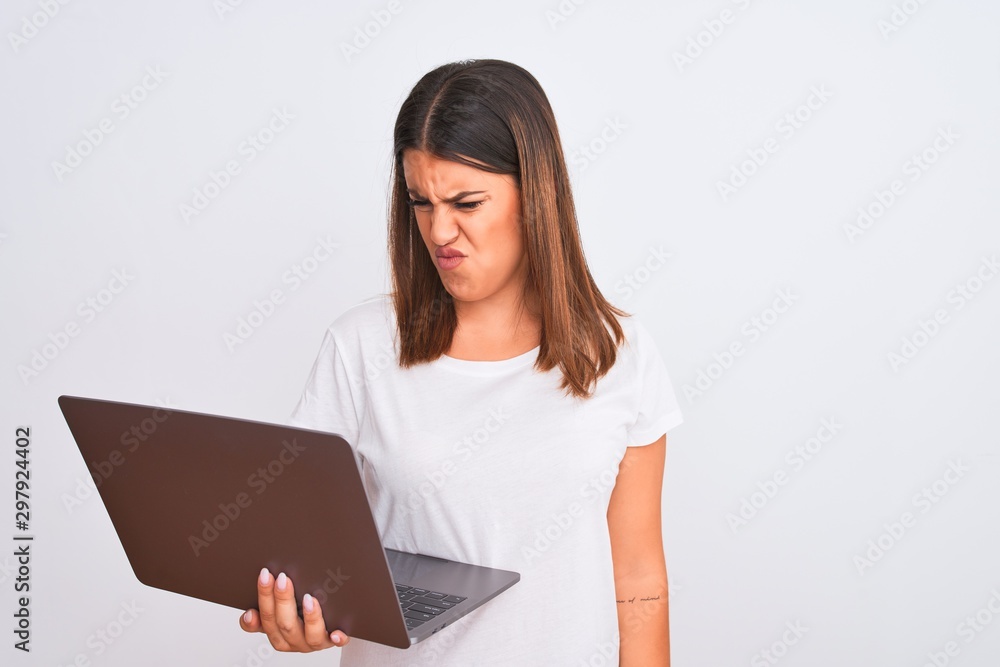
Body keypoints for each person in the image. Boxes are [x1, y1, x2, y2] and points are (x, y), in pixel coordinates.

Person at [237, 58, 684, 665]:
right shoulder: (361, 347)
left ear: (537, 195)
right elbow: (293, 549)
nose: (439, 231)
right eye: (420, 202)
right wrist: (294, 609)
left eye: (466, 203)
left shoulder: (618, 353)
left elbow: (638, 578)